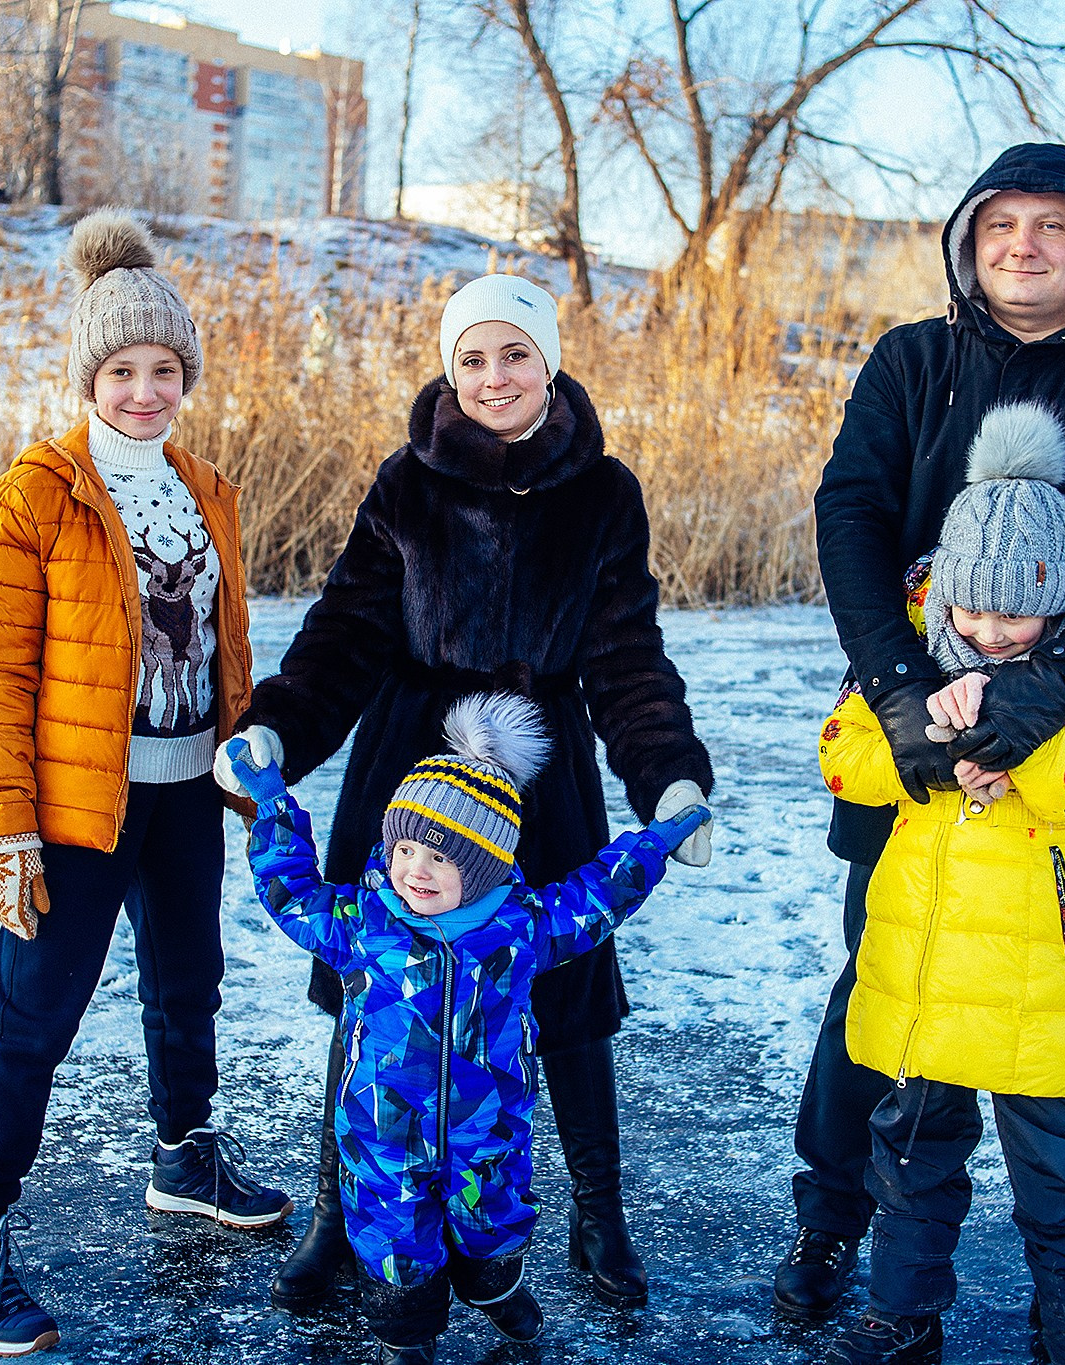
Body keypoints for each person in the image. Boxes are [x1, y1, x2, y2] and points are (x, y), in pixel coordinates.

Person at [786, 143, 1065, 1365]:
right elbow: (849, 514)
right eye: (1000, 224)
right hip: (908, 738)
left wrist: (1060, 685)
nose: (1023, 244)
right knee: (873, 1005)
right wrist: (897, 695)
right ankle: (833, 1228)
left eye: (1052, 225)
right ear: (968, 242)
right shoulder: (911, 363)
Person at [217, 274, 714, 1314]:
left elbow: (625, 653)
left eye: (514, 355)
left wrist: (666, 774)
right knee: (375, 991)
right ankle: (333, 1218)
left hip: (542, 774)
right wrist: (279, 725)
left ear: (550, 362)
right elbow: (347, 629)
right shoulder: (407, 483)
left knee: (565, 990)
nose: (495, 377)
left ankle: (597, 1214)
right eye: (472, 359)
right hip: (410, 764)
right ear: (450, 371)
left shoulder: (603, 492)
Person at [0, 210, 288, 1357]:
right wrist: (7, 832)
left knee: (190, 986)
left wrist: (249, 751)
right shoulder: (31, 497)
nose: (147, 392)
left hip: (187, 791)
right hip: (78, 806)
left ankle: (185, 1158)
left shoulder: (209, 488)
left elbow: (227, 641)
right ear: (89, 374)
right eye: (124, 370)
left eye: (166, 369)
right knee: (33, 1018)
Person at [227, 695, 710, 1364]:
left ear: (481, 870)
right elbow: (290, 888)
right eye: (404, 848)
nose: (415, 869)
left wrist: (655, 842)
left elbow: (594, 897)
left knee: (492, 1230)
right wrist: (274, 803)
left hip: (488, 1135)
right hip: (384, 1136)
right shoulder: (365, 924)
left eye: (440, 858)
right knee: (396, 1245)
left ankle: (495, 1286)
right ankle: (408, 1337)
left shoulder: (518, 930)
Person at [817, 403, 1065, 1365]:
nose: (994, 631)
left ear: (1059, 599)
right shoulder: (911, 657)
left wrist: (1022, 748)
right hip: (923, 978)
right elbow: (843, 760)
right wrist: (923, 733)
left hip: (1033, 987)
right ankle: (901, 1319)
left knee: (1061, 1178)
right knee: (911, 1163)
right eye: (975, 608)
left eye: (1019, 611)